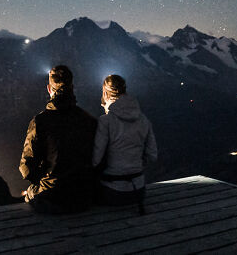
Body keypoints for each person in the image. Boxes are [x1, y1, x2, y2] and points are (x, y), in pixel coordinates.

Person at [19, 64, 97, 213]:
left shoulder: (40, 122)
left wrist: (42, 182)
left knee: (30, 195)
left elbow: (27, 168)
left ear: (49, 89)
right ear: (72, 87)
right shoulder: (89, 120)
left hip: (53, 197)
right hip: (83, 196)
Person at [92, 74, 157, 213]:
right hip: (138, 191)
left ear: (105, 92)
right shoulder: (143, 120)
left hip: (112, 192)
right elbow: (152, 155)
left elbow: (95, 161)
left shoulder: (106, 122)